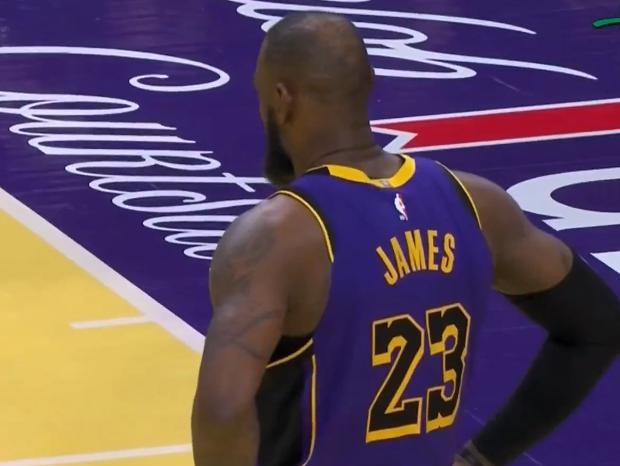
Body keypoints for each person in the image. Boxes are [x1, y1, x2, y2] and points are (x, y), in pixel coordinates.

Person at [191, 12, 620, 466]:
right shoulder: (476, 203)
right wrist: (484, 456)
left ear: (281, 100)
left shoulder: (279, 236)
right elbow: (598, 326)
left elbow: (223, 411)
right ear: (369, 85)